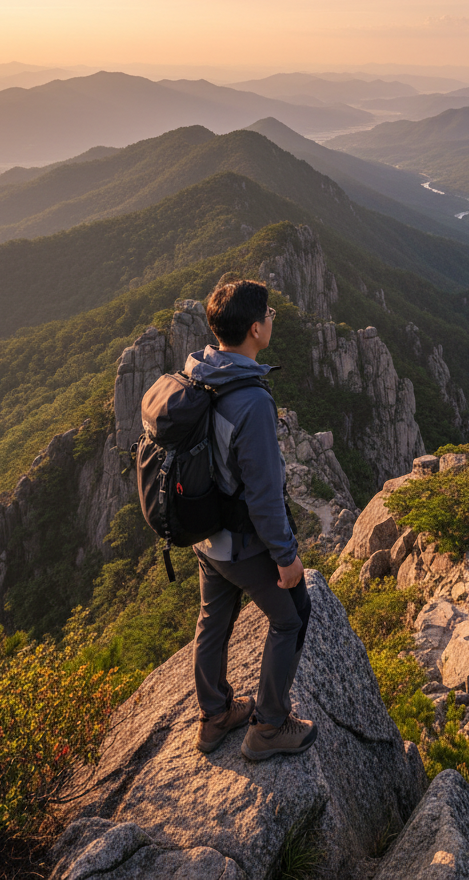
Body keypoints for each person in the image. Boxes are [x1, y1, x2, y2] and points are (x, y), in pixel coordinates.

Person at [183, 278, 317, 761]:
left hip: (205, 536)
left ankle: (214, 715)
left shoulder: (200, 372)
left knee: (213, 620)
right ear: (256, 329)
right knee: (293, 617)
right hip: (243, 543)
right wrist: (286, 557)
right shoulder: (253, 401)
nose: (275, 319)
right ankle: (269, 726)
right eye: (271, 314)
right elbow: (263, 497)